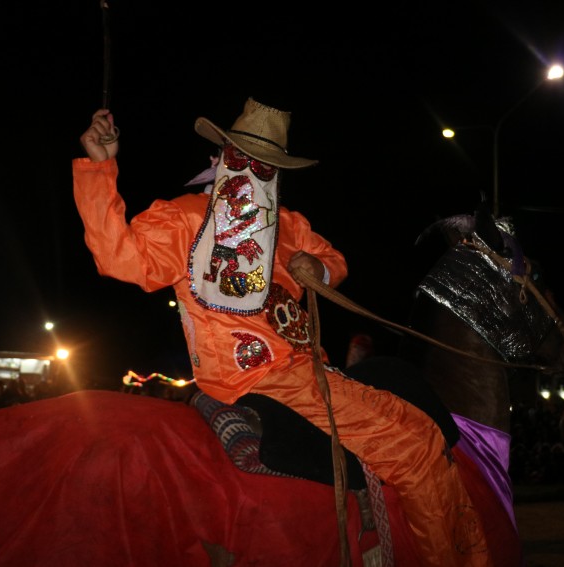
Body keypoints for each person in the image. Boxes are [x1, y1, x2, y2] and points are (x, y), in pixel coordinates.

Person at [73, 97, 489, 566]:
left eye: (267, 164)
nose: (254, 170)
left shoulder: (289, 224)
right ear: (222, 158)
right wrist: (99, 168)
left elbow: (334, 260)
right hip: (256, 377)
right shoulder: (187, 217)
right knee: (415, 446)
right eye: (245, 157)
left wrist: (320, 270)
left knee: (415, 418)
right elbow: (120, 258)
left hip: (306, 366)